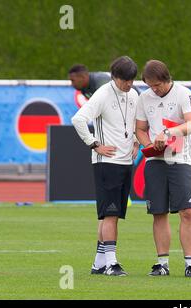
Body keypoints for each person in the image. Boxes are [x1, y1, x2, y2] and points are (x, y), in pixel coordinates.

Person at [71, 56, 140, 276]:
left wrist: (137, 142)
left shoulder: (134, 94)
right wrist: (94, 144)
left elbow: (136, 123)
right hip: (106, 162)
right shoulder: (102, 94)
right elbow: (78, 119)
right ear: (114, 77)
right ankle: (112, 263)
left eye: (131, 80)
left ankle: (99, 263)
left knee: (112, 214)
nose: (128, 84)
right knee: (110, 214)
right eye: (125, 80)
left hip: (125, 161)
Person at [135, 59, 191, 278]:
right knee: (158, 212)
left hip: (180, 159)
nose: (154, 89)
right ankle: (162, 263)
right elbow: (141, 129)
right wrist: (148, 145)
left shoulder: (184, 93)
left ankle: (190, 264)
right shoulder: (144, 98)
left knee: (187, 211)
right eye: (150, 85)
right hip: (155, 161)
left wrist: (169, 133)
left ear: (167, 79)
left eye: (157, 85)